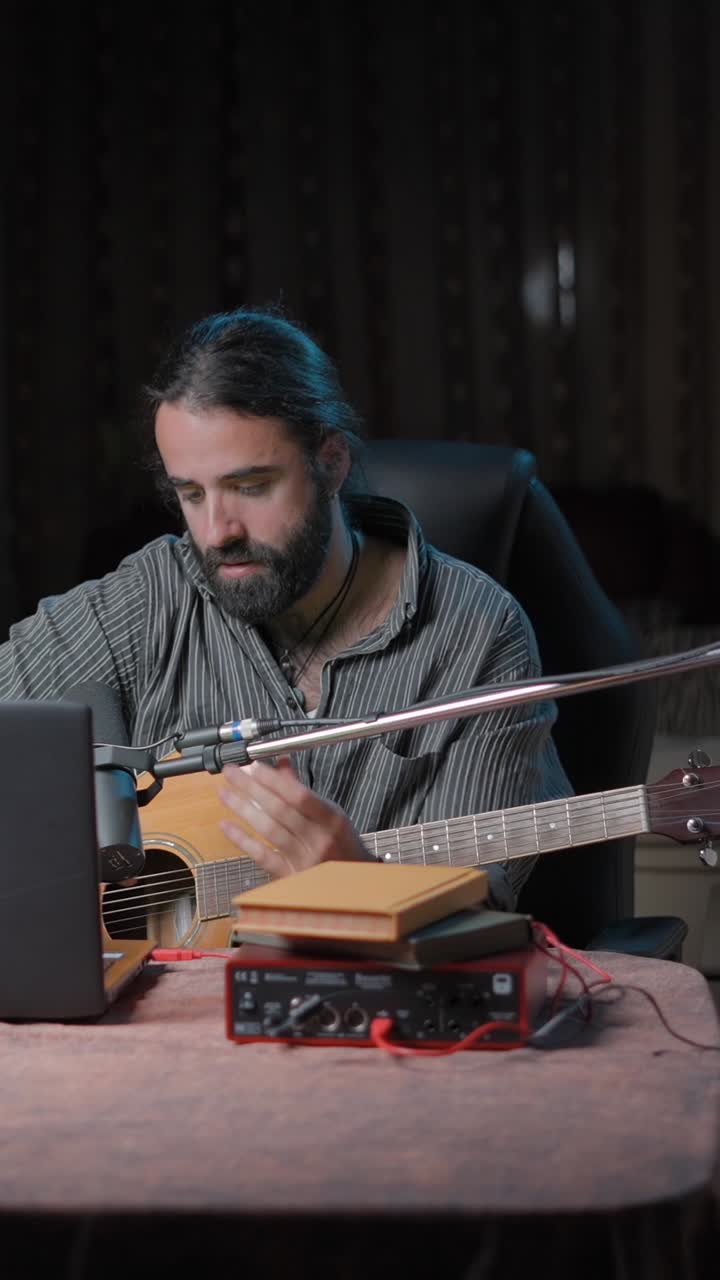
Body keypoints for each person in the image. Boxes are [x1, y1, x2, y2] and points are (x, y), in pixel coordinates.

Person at [0, 307, 571, 908]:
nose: (217, 532)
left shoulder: (476, 632)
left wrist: (359, 886)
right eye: (191, 494)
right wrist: (100, 782)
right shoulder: (152, 594)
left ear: (331, 462)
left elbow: (476, 922)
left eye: (250, 487)